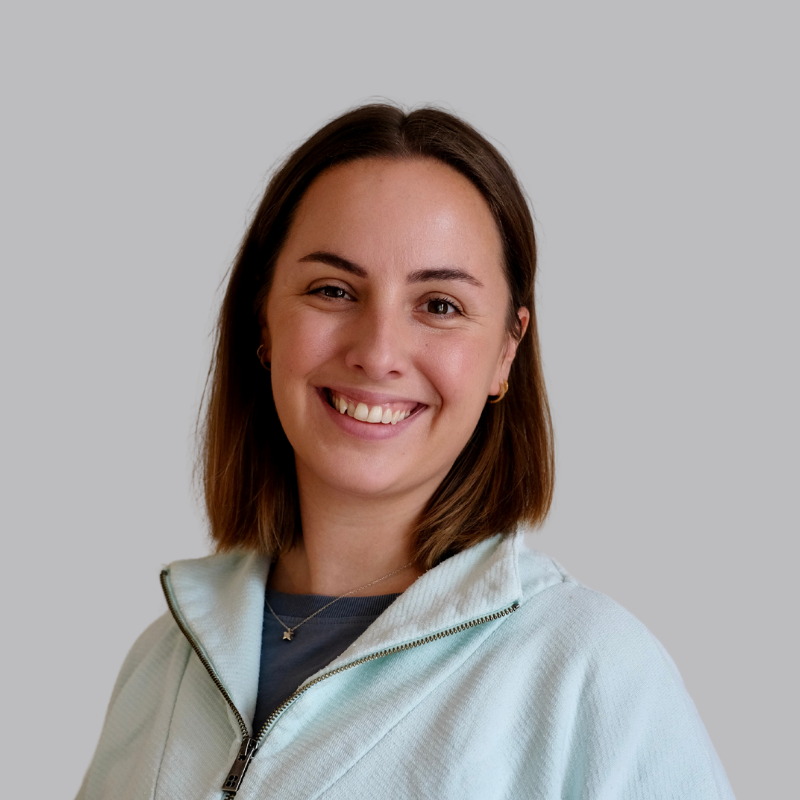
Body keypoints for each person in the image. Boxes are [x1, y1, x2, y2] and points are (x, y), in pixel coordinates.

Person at [76, 104, 735, 799]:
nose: (379, 352)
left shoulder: (592, 674)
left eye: (440, 305)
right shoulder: (163, 661)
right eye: (333, 290)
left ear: (505, 352)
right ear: (263, 320)